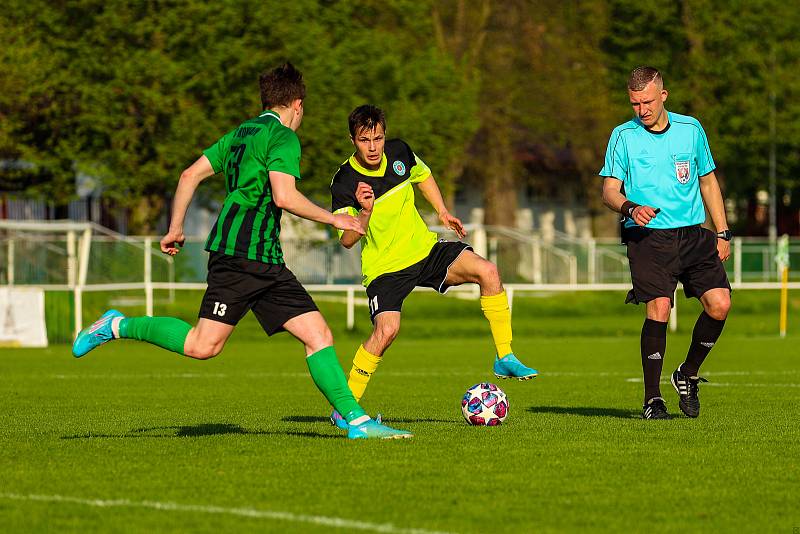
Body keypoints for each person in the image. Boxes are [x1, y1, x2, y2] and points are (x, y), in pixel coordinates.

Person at [72, 64, 411, 439]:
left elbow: (189, 175)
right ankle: (116, 325)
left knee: (318, 334)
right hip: (239, 255)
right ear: (297, 104)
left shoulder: (241, 133)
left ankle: (357, 422)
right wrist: (335, 220)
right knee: (203, 346)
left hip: (265, 259)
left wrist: (175, 227)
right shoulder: (283, 137)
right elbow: (284, 196)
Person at [327, 104, 538, 428]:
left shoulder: (400, 152)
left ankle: (504, 356)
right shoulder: (344, 181)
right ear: (352, 140)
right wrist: (364, 213)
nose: (373, 147)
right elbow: (346, 241)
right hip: (385, 267)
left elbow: (422, 175)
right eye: (364, 140)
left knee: (489, 272)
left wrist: (441, 211)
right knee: (387, 331)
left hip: (424, 250)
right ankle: (345, 408)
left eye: (378, 138)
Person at [600, 66, 732, 420]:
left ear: (663, 96)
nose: (641, 109)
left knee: (719, 305)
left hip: (693, 235)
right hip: (648, 238)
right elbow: (609, 191)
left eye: (646, 101)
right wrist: (631, 207)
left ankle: (687, 373)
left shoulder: (691, 129)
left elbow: (707, 181)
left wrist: (721, 231)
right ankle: (652, 399)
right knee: (659, 307)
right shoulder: (623, 137)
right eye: (634, 103)